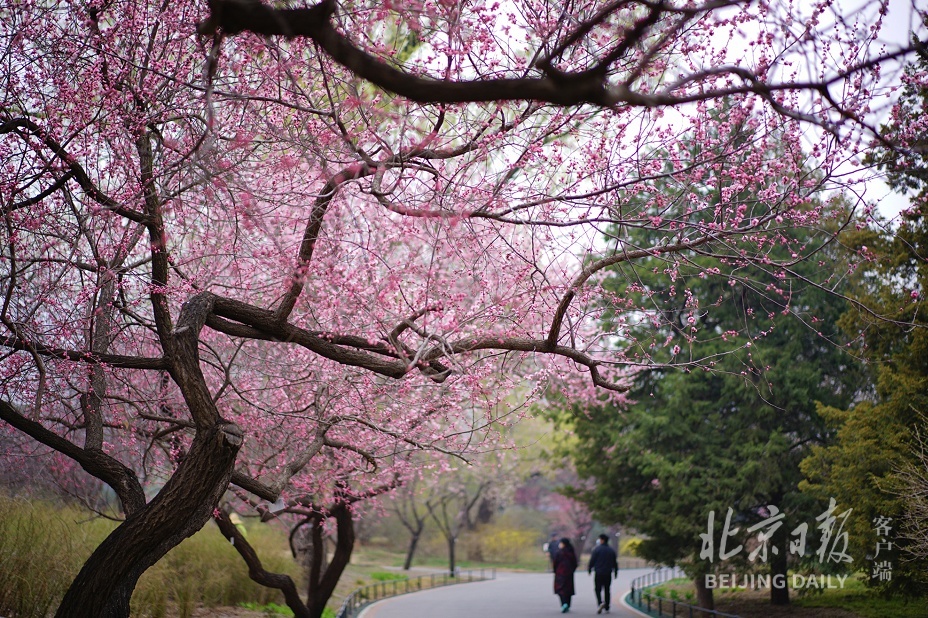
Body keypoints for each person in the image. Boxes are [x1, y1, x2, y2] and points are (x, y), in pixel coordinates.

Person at [588, 534, 619, 614]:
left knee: (597, 589)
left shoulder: (597, 549)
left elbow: (592, 560)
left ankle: (600, 602)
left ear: (602, 540)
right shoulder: (611, 550)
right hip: (608, 573)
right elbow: (615, 563)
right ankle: (607, 605)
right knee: (607, 589)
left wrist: (589, 569)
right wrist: (615, 572)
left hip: (598, 572)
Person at [553, 537, 578, 613]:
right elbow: (575, 563)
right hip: (569, 573)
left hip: (560, 573)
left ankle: (564, 604)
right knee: (568, 589)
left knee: (561, 589)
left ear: (563, 544)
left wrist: (555, 571)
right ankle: (568, 604)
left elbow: (555, 563)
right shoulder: (571, 552)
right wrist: (572, 570)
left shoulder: (559, 552)